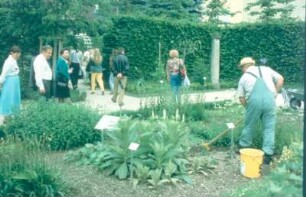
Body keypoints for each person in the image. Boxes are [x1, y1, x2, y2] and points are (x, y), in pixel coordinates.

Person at [237, 57, 284, 164]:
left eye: (241, 68)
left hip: (254, 102)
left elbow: (241, 98)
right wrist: (275, 92)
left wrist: (248, 108)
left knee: (249, 125)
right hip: (270, 101)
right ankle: (267, 155)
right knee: (269, 128)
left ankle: (243, 147)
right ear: (252, 64)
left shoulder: (244, 77)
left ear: (244, 67)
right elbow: (281, 79)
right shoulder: (267, 69)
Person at [0, 46, 22, 117]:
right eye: (16, 54)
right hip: (10, 82)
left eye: (19, 54)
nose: (18, 55)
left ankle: (14, 112)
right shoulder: (9, 62)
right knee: (9, 96)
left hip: (15, 81)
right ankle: (7, 113)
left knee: (15, 96)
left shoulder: (14, 60)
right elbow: (4, 73)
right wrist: (0, 82)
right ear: (12, 53)